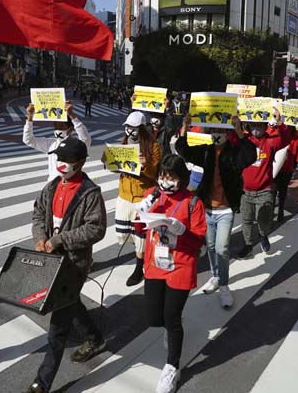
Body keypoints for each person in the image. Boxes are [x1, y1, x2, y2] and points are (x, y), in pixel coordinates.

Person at [24, 138, 107, 393]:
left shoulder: (90, 193)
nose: (60, 164)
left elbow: (96, 229)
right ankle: (94, 338)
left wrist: (59, 239)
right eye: (58, 159)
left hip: (74, 263)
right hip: (51, 259)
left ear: (80, 163)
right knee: (70, 302)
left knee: (57, 328)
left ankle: (42, 382)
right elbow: (38, 213)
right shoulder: (51, 187)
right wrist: (40, 238)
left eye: (66, 161)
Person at [137, 154, 206, 393]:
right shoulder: (152, 196)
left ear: (182, 179)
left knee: (172, 319)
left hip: (180, 265)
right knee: (154, 318)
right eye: (163, 177)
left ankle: (172, 367)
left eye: (172, 177)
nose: (166, 182)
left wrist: (182, 230)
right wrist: (140, 212)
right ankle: (170, 322)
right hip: (155, 263)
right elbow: (138, 229)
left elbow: (198, 241)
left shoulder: (192, 203)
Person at [175, 114, 255, 308]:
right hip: (207, 208)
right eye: (214, 131)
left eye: (221, 131)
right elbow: (183, 150)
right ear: (209, 133)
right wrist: (185, 126)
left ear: (227, 133)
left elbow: (250, 155)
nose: (217, 134)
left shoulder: (235, 152)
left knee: (222, 248)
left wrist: (239, 131)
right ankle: (215, 276)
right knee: (210, 247)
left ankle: (225, 285)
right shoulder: (206, 151)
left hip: (226, 210)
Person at [106, 111, 161, 286]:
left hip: (142, 197)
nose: (130, 131)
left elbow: (156, 174)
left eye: (133, 128)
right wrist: (108, 159)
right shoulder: (124, 143)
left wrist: (145, 166)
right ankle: (142, 254)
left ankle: (140, 267)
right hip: (124, 196)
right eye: (127, 127)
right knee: (122, 233)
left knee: (140, 236)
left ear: (142, 129)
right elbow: (115, 167)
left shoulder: (153, 147)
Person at [237, 110, 285, 259]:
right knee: (246, 219)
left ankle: (263, 234)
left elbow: (285, 139)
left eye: (260, 125)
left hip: (264, 190)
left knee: (263, 218)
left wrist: (279, 123)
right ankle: (248, 244)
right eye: (253, 125)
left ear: (265, 127)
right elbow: (232, 136)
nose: (256, 128)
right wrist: (236, 121)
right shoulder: (244, 140)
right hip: (245, 190)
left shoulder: (270, 141)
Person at [23, 101, 92, 181]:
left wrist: (71, 115)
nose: (58, 130)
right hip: (52, 186)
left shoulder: (76, 145)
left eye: (61, 127)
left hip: (71, 185)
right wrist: (30, 117)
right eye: (56, 127)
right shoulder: (51, 144)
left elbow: (86, 139)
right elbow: (28, 140)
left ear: (70, 130)